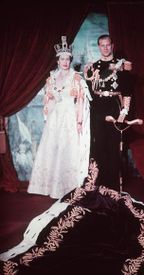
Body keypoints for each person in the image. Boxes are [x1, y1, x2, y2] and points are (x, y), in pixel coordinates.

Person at [27, 36, 92, 199]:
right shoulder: (52, 77)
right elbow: (47, 100)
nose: (65, 62)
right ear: (57, 60)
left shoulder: (75, 77)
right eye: (62, 59)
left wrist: (78, 121)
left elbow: (80, 102)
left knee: (66, 148)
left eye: (68, 59)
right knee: (52, 149)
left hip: (69, 115)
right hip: (55, 117)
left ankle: (67, 186)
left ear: (70, 60)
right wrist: (48, 115)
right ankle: (48, 185)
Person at [84, 34, 134, 192]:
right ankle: (98, 183)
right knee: (98, 145)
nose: (105, 48)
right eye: (102, 45)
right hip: (98, 108)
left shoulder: (121, 65)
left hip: (114, 106)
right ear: (99, 47)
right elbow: (89, 91)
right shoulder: (94, 67)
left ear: (112, 45)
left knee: (113, 145)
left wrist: (124, 111)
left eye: (108, 45)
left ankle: (113, 185)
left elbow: (127, 90)